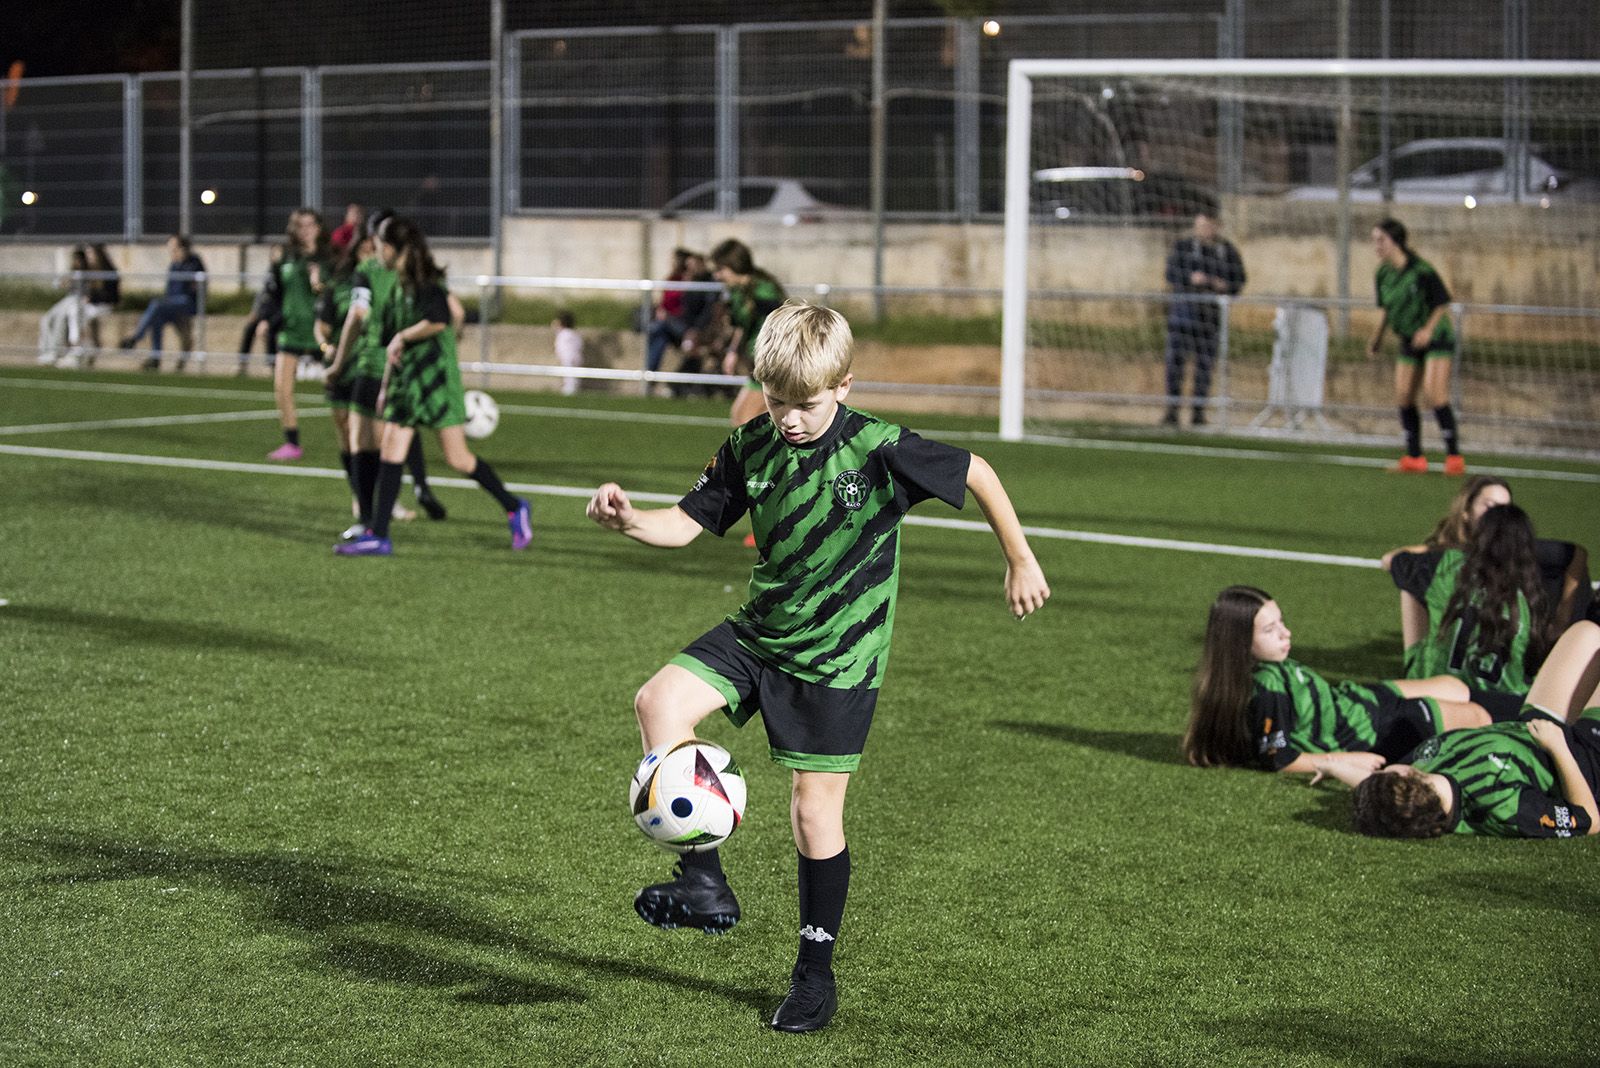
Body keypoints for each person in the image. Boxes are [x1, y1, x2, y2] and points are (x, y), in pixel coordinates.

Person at [586, 302, 1051, 1033]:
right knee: (659, 702)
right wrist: (631, 520)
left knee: (812, 810)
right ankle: (705, 881)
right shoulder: (750, 444)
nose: (790, 419)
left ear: (843, 386)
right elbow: (689, 522)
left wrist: (1019, 559)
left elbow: (979, 471)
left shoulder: (880, 448)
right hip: (763, 628)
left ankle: (814, 973)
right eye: (776, 402)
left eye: (805, 404)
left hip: (840, 653)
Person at [335, 215, 529, 557]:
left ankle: (514, 507)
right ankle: (379, 535)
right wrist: (384, 386)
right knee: (392, 451)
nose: (375, 250)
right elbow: (391, 345)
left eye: (380, 244)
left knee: (458, 459)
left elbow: (439, 321)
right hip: (405, 380)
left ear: (395, 248)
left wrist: (403, 336)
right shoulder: (394, 288)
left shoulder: (426, 285)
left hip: (435, 380)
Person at [1321, 620, 1600, 839]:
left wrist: (1332, 765)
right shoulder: (1501, 806)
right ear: (1406, 777)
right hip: (1586, 758)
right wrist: (1558, 748)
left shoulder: (1425, 770)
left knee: (1586, 633)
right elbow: (1589, 819)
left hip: (1535, 725)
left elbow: (1378, 788)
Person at [1183, 585, 1493, 774]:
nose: (1286, 632)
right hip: (1370, 733)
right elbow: (1279, 758)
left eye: (1281, 621)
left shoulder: (1267, 668)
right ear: (1240, 644)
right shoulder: (1267, 689)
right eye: (1269, 630)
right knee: (1479, 717)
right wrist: (1345, 760)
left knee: (1456, 688)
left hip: (1358, 701)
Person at [1381, 475, 1592, 631]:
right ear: (1465, 512)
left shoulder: (1519, 547)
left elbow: (1576, 553)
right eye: (1489, 506)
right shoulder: (1454, 552)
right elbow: (1391, 559)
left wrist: (1564, 616)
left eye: (1504, 507)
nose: (1498, 514)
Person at [1389, 503, 1552, 699]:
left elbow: (1398, 561)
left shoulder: (1448, 564)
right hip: (1500, 710)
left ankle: (1415, 666)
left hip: (1434, 696)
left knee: (1415, 587)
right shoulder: (1532, 596)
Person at [1366, 217, 1463, 475]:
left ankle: (1454, 457)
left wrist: (1428, 329)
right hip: (1409, 337)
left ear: (1396, 242)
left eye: (1380, 240)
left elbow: (1441, 302)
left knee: (1434, 394)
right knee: (1403, 395)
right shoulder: (1383, 273)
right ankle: (1414, 457)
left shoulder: (1421, 270)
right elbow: (1387, 309)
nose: (1376, 245)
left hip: (1436, 336)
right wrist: (1377, 338)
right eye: (1374, 240)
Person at [1162, 209, 1245, 428]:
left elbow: (1239, 279)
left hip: (1210, 320)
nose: (1205, 230)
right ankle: (1172, 411)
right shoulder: (1184, 248)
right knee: (1175, 366)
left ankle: (1198, 413)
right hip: (1182, 319)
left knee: (1204, 367)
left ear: (1217, 226)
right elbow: (1170, 274)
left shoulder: (1226, 251)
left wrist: (1224, 285)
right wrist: (1191, 278)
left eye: (1208, 226)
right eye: (1200, 226)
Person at [264, 209, 332, 461]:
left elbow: (333, 295)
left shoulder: (328, 257)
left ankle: (358, 442)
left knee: (340, 390)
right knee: (281, 388)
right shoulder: (285, 256)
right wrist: (267, 319)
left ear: (318, 227)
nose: (305, 230)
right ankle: (292, 443)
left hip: (320, 332)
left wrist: (318, 283)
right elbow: (274, 291)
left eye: (310, 225)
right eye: (300, 225)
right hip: (290, 330)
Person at [710, 238, 785, 429]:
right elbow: (743, 326)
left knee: (748, 421)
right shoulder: (738, 292)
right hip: (757, 366)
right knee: (741, 418)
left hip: (774, 366)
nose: (717, 276)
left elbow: (784, 325)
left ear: (734, 265)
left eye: (720, 270)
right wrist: (733, 352)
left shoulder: (763, 290)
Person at [120, 235, 205, 371]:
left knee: (156, 305)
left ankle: (136, 338)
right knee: (156, 318)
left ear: (182, 248)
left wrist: (182, 260)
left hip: (187, 303)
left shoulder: (194, 262)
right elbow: (170, 290)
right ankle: (155, 358)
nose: (171, 251)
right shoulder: (173, 265)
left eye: (174, 248)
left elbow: (191, 287)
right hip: (172, 304)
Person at [37, 245, 91, 365]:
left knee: (62, 320)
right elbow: (58, 285)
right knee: (46, 319)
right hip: (68, 300)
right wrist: (64, 282)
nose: (76, 262)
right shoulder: (72, 274)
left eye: (78, 259)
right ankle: (46, 351)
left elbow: (88, 293)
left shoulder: (88, 274)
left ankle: (56, 352)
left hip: (76, 301)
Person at [236, 246, 283, 378]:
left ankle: (272, 365)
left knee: (270, 331)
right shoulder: (270, 273)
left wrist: (267, 321)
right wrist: (256, 312)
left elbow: (283, 300)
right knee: (249, 328)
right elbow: (262, 295)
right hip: (267, 312)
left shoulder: (286, 274)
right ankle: (242, 363)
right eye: (274, 254)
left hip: (281, 313)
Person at [553, 309, 583, 396]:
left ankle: (570, 389)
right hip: (573, 356)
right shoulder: (573, 333)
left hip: (569, 356)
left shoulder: (565, 333)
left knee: (570, 375)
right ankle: (571, 388)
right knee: (571, 375)